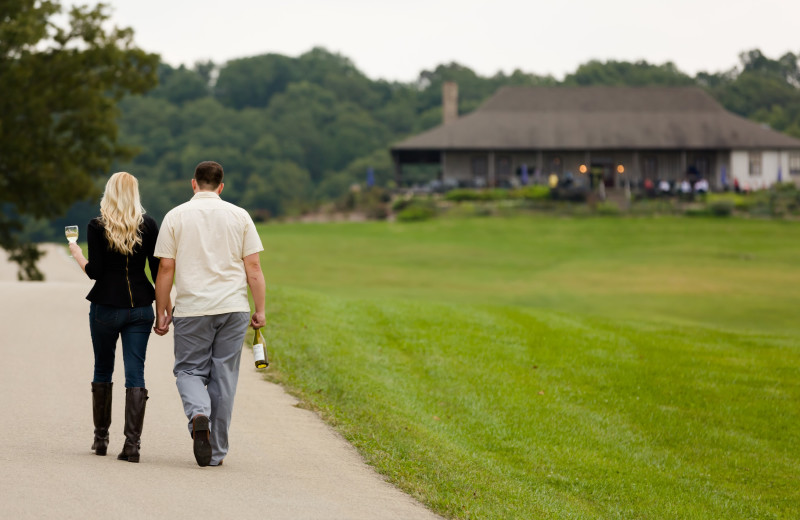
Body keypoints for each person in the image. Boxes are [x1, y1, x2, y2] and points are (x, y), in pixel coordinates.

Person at [153, 161, 266, 467]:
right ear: (221, 186)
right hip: (233, 308)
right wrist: (260, 310)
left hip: (192, 309)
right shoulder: (240, 216)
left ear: (193, 184)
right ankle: (215, 453)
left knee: (189, 371)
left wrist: (161, 310)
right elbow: (253, 268)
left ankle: (198, 413)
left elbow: (165, 268)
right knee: (224, 377)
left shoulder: (175, 216)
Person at [68, 172, 162, 463]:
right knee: (136, 373)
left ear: (108, 193)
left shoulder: (96, 226)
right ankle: (132, 445)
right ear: (135, 194)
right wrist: (164, 307)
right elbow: (157, 271)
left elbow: (94, 271)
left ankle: (101, 439)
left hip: (106, 306)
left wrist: (76, 254)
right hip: (141, 306)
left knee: (102, 368)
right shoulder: (148, 225)